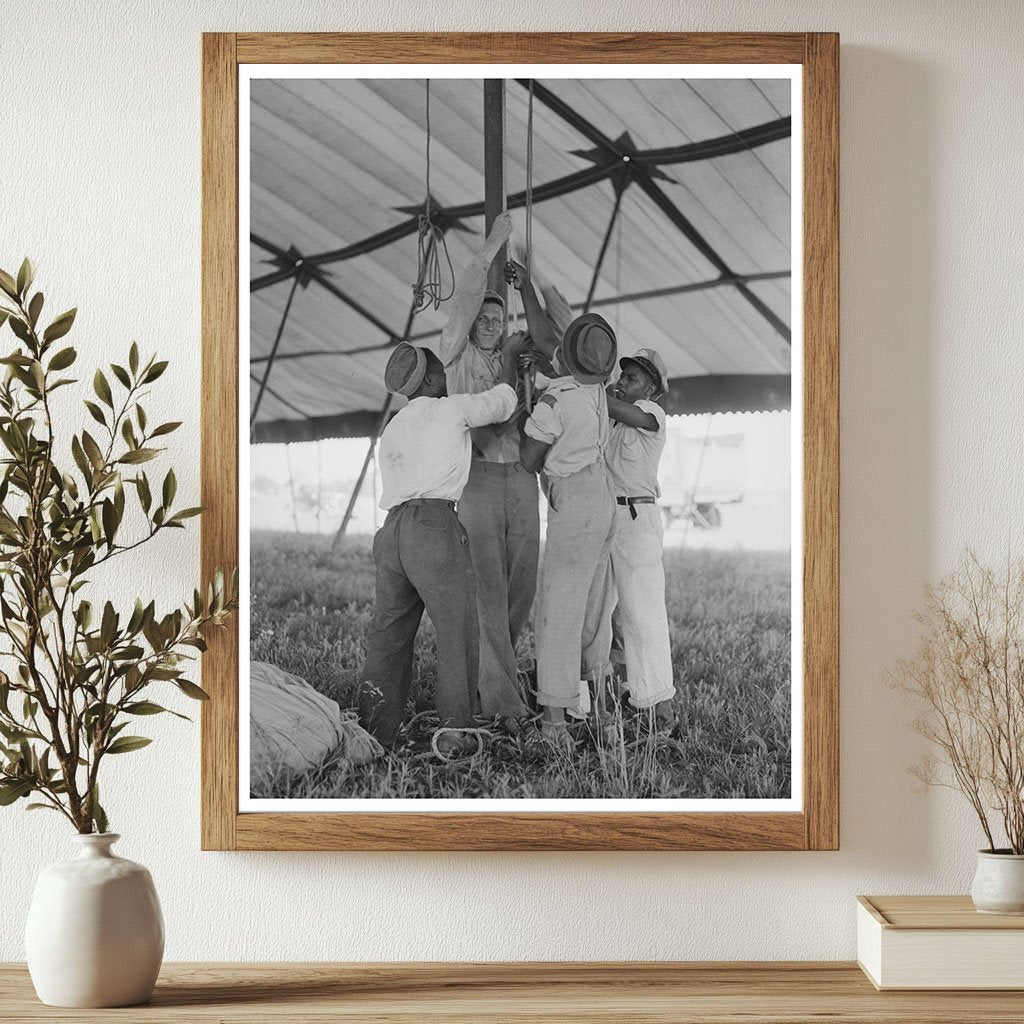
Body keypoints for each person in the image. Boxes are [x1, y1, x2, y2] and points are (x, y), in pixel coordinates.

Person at [358, 339, 525, 755]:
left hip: (392, 529)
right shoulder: (449, 409)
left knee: (388, 635)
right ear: (432, 378)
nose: (448, 378)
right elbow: (505, 401)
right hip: (434, 525)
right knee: (457, 632)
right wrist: (508, 359)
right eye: (443, 373)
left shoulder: (393, 427)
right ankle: (454, 733)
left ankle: (374, 731)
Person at [439, 210, 564, 733]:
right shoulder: (456, 357)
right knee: (488, 587)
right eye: (484, 319)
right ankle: (504, 704)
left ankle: (496, 677)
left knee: (521, 588)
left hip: (522, 479)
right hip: (481, 479)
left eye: (498, 318)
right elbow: (468, 294)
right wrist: (494, 243)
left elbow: (558, 330)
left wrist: (528, 275)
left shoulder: (520, 356)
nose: (491, 324)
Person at [519, 313, 619, 748]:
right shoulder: (596, 389)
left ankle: (555, 721)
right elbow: (549, 343)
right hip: (604, 495)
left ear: (562, 358)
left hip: (574, 499)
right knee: (595, 609)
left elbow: (528, 460)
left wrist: (526, 408)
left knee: (558, 609)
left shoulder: (554, 402)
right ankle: (600, 711)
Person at [602, 348, 676, 730]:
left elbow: (621, 410)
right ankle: (610, 693)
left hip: (637, 518)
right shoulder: (611, 422)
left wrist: (589, 390)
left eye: (632, 378)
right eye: (622, 375)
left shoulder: (652, 415)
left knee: (642, 613)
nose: (623, 381)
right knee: (603, 614)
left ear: (651, 388)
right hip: (605, 518)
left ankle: (660, 706)